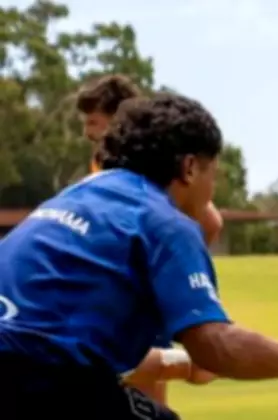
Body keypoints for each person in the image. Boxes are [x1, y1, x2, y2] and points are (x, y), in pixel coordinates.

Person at [0, 93, 278, 419]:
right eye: (214, 173)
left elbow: (51, 338)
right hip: (42, 381)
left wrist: (182, 364)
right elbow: (213, 346)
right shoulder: (163, 220)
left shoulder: (76, 196)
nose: (212, 190)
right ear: (190, 168)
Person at [75, 74, 221, 404]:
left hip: (130, 301)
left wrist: (171, 275)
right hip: (109, 301)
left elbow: (211, 221)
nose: (87, 132)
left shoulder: (147, 167)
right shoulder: (105, 164)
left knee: (146, 397)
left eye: (94, 122)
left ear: (118, 119)